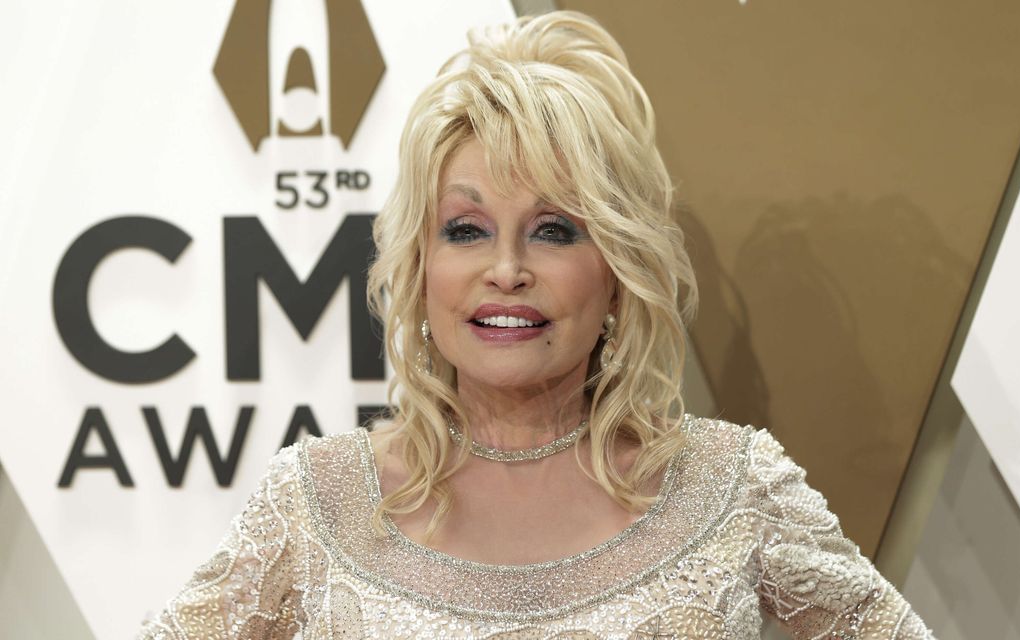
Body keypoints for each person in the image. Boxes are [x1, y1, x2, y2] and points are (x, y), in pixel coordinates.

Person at [140, 11, 933, 639]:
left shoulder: (733, 487)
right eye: (466, 229)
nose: (507, 268)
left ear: (618, 272)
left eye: (554, 230)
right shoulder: (317, 502)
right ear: (419, 267)